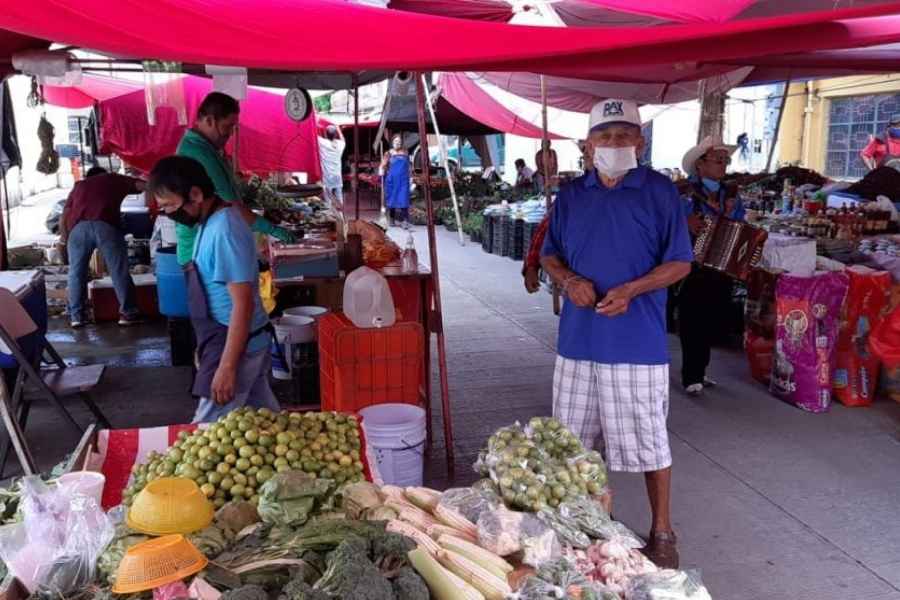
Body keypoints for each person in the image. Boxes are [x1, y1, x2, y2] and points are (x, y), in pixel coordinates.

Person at [539, 99, 692, 568]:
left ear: (639, 143)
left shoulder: (660, 192)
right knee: (572, 445)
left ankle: (662, 532)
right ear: (587, 146)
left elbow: (680, 262)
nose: (613, 143)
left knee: (648, 441)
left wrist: (632, 289)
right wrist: (569, 281)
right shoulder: (571, 195)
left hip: (636, 343)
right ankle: (588, 523)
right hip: (577, 342)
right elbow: (550, 254)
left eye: (623, 135)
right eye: (604, 136)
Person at [148, 156, 279, 423]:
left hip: (237, 345)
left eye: (170, 205)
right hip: (225, 338)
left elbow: (243, 304)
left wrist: (227, 366)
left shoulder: (224, 230)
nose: (169, 214)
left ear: (196, 194)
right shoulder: (209, 222)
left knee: (207, 429)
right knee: (266, 420)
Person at [175, 92, 292, 266]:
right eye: (227, 126)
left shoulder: (206, 148)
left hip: (210, 246)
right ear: (209, 121)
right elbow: (231, 205)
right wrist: (271, 229)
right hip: (200, 251)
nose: (230, 133)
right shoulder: (198, 152)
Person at [678, 137, 742, 395]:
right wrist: (684, 223)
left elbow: (739, 222)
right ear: (700, 164)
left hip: (721, 264)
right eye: (718, 160)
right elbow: (663, 223)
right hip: (691, 264)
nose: (723, 165)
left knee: (711, 319)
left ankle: (701, 370)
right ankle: (691, 374)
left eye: (726, 160)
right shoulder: (683, 193)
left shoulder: (731, 194)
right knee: (692, 319)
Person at [61, 166, 145, 328]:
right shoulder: (112, 178)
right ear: (103, 174)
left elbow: (64, 215)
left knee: (76, 273)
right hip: (106, 226)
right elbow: (143, 185)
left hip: (78, 230)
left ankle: (77, 317)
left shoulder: (79, 186)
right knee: (118, 271)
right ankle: (128, 314)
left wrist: (64, 240)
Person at [523, 151, 593, 293]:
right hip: (579, 282)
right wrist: (531, 266)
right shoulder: (571, 195)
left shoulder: (639, 193)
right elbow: (545, 231)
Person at [381, 135, 411, 228]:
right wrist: (381, 169)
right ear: (392, 142)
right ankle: (392, 219)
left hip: (403, 180)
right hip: (392, 181)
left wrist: (411, 177)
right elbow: (383, 165)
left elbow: (409, 166)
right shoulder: (388, 153)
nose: (398, 143)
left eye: (399, 141)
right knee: (392, 200)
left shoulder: (405, 152)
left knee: (403, 199)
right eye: (396, 141)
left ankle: (405, 221)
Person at [318, 124, 346, 209]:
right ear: (335, 134)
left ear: (326, 134)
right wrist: (338, 129)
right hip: (337, 175)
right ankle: (341, 213)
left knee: (328, 198)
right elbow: (343, 139)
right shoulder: (340, 144)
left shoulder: (323, 143)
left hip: (327, 175)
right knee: (339, 195)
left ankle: (329, 213)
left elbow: (314, 134)